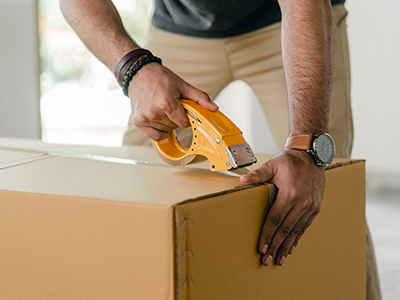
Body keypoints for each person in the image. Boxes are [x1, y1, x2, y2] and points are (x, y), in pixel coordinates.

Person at [60, 0, 381, 298]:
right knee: (143, 175)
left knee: (326, 187)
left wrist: (306, 147)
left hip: (285, 18)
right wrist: (134, 69)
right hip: (182, 26)